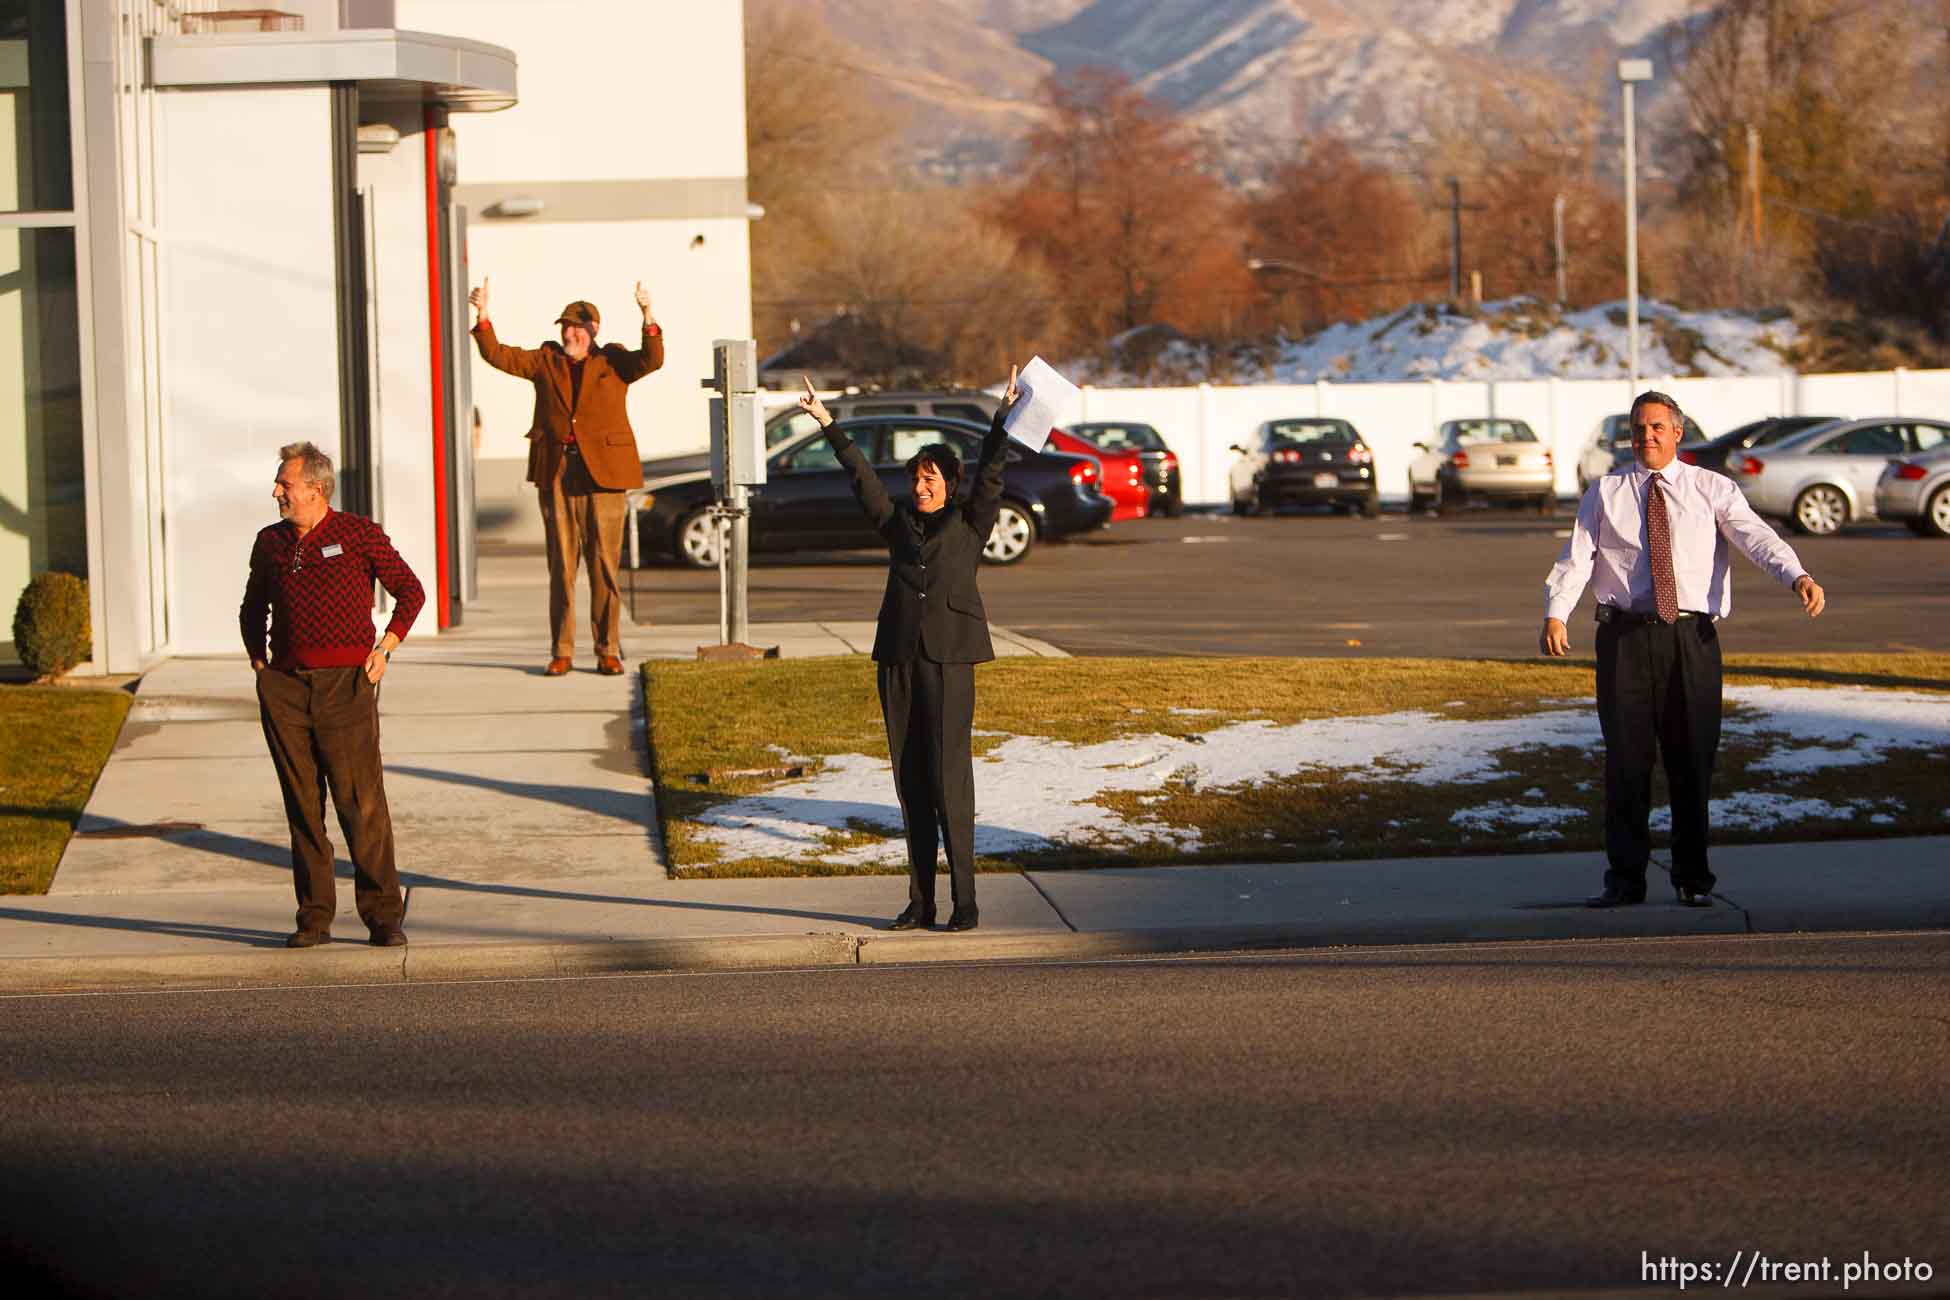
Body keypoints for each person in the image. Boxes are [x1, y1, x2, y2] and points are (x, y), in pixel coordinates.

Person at [1541, 391, 1826, 908]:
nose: (1645, 436)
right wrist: (1557, 611)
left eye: (1655, 427)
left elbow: (1754, 537)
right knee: (1626, 765)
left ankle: (1693, 878)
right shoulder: (1605, 492)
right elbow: (1576, 556)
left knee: (1691, 762)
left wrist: (1796, 575)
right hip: (1624, 640)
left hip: (1690, 642)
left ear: (1677, 433)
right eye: (1637, 428)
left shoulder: (1712, 488)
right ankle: (1625, 880)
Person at [796, 369, 1022, 932]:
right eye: (916, 479)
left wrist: (1001, 418)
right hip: (898, 659)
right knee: (912, 783)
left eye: (931, 479)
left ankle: (964, 902)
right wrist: (829, 424)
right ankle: (921, 902)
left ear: (948, 481)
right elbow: (863, 479)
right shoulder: (896, 524)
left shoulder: (971, 524)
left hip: (949, 659)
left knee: (951, 781)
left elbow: (992, 472)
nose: (921, 488)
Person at [240, 441, 425, 948]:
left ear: (316, 490)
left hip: (347, 684)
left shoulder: (358, 534)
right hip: (285, 689)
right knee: (302, 805)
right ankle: (314, 918)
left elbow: (411, 591)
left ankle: (383, 916)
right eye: (279, 483)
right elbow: (252, 607)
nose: (277, 491)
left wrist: (386, 646)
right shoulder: (270, 542)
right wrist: (262, 666)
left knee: (360, 803)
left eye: (285, 483)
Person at [468, 277, 664, 676]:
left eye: (577, 327)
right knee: (561, 565)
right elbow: (500, 356)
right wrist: (483, 314)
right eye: (565, 326)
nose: (570, 333)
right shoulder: (546, 360)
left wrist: (647, 316)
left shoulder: (614, 360)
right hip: (557, 471)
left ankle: (607, 649)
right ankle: (562, 650)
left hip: (604, 475)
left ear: (594, 330)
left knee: (604, 565)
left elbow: (652, 360)